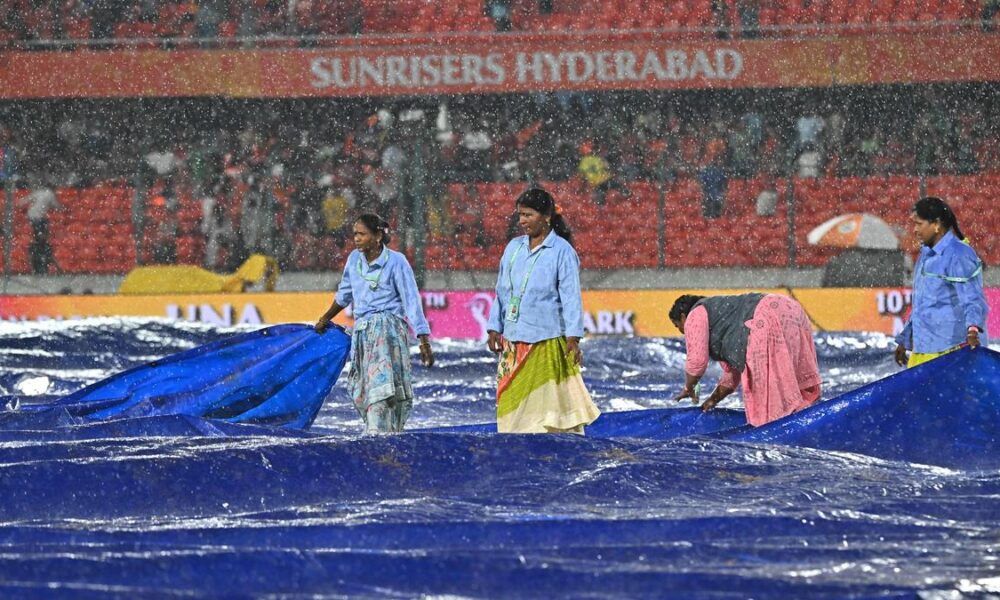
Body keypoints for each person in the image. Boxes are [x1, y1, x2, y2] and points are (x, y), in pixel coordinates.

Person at [486, 187, 601, 434]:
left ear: (546, 216)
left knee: (550, 409)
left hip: (546, 341)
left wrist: (573, 338)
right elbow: (502, 291)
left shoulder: (562, 252)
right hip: (513, 341)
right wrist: (495, 326)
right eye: (520, 215)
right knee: (512, 409)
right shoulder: (513, 248)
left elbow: (571, 298)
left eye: (528, 215)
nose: (522, 221)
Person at [315, 213, 434, 433]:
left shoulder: (396, 262)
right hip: (363, 334)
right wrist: (325, 318)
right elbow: (344, 295)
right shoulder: (353, 260)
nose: (357, 239)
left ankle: (378, 436)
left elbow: (411, 301)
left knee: (384, 390)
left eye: (362, 234)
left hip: (388, 333)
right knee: (365, 390)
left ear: (378, 236)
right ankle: (381, 434)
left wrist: (423, 340)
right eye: (355, 234)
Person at [670, 293, 821, 427]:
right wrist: (712, 400)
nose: (683, 332)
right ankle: (811, 420)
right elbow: (732, 375)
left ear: (683, 316)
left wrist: (689, 387)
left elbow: (697, 362)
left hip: (765, 316)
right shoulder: (726, 321)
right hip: (790, 309)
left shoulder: (695, 314)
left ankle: (780, 428)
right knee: (792, 380)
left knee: (769, 399)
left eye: (678, 326)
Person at [894, 197, 988, 368]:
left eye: (919, 224)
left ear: (936, 224)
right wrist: (906, 339)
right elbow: (924, 304)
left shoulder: (959, 254)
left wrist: (973, 330)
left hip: (952, 350)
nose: (914, 230)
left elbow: (973, 298)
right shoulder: (926, 254)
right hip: (923, 351)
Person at [19, 180, 62, 274]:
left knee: (40, 226)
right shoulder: (50, 194)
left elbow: (25, 200)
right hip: (39, 217)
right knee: (42, 226)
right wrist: (61, 208)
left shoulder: (39, 192)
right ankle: (40, 239)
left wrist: (20, 204)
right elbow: (56, 206)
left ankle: (38, 239)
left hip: (31, 214)